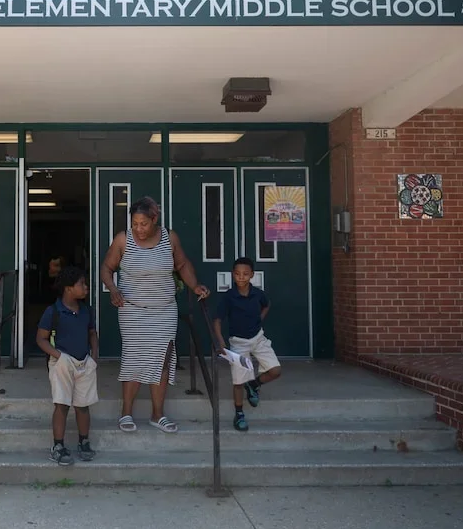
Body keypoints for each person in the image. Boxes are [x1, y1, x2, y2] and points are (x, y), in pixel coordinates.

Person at [100, 196, 210, 434]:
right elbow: (107, 268)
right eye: (135, 224)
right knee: (134, 357)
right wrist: (113, 288)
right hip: (132, 310)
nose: (138, 229)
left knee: (163, 360)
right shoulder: (123, 240)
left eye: (144, 224)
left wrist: (195, 286)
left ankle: (157, 415)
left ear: (155, 219)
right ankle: (126, 412)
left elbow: (181, 265)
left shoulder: (169, 238)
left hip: (164, 310)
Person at [36, 265, 99, 465]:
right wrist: (59, 356)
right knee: (62, 404)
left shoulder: (86, 310)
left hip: (84, 361)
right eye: (82, 284)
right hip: (62, 361)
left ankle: (84, 441)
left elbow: (91, 333)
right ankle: (58, 445)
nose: (86, 287)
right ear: (68, 288)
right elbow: (41, 339)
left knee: (83, 405)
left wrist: (94, 356)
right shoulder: (53, 311)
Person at [212, 257, 282, 432]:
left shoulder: (258, 294)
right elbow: (217, 320)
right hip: (238, 343)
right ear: (233, 275)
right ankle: (239, 413)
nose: (241, 277)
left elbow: (267, 304)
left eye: (245, 274)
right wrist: (221, 342)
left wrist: (260, 318)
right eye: (237, 274)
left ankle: (254, 384)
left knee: (275, 371)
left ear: (252, 275)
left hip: (258, 339)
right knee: (238, 381)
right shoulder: (229, 297)